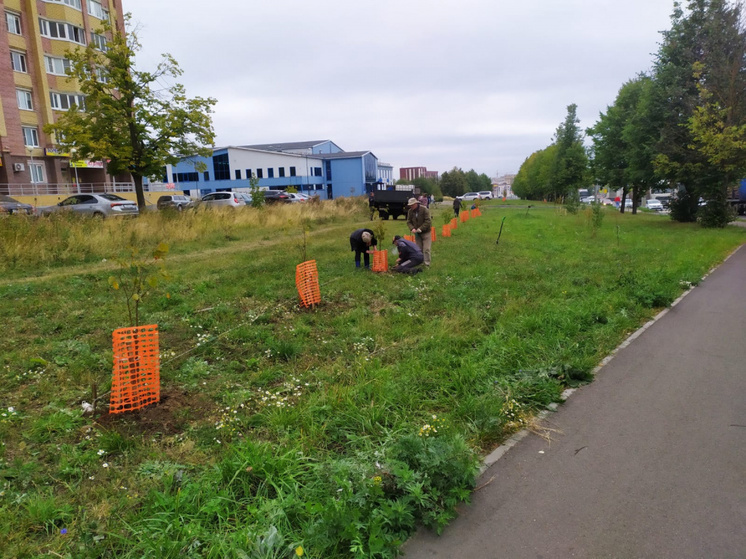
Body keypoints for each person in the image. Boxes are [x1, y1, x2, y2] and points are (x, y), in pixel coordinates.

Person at [406, 197, 432, 266]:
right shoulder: (410, 211)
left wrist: (421, 228)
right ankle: (420, 263)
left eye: (412, 205)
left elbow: (428, 221)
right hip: (417, 234)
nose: (411, 206)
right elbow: (408, 222)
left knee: (426, 249)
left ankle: (427, 264)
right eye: (410, 205)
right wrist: (412, 229)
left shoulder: (424, 209)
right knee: (419, 249)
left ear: (416, 203)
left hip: (426, 232)